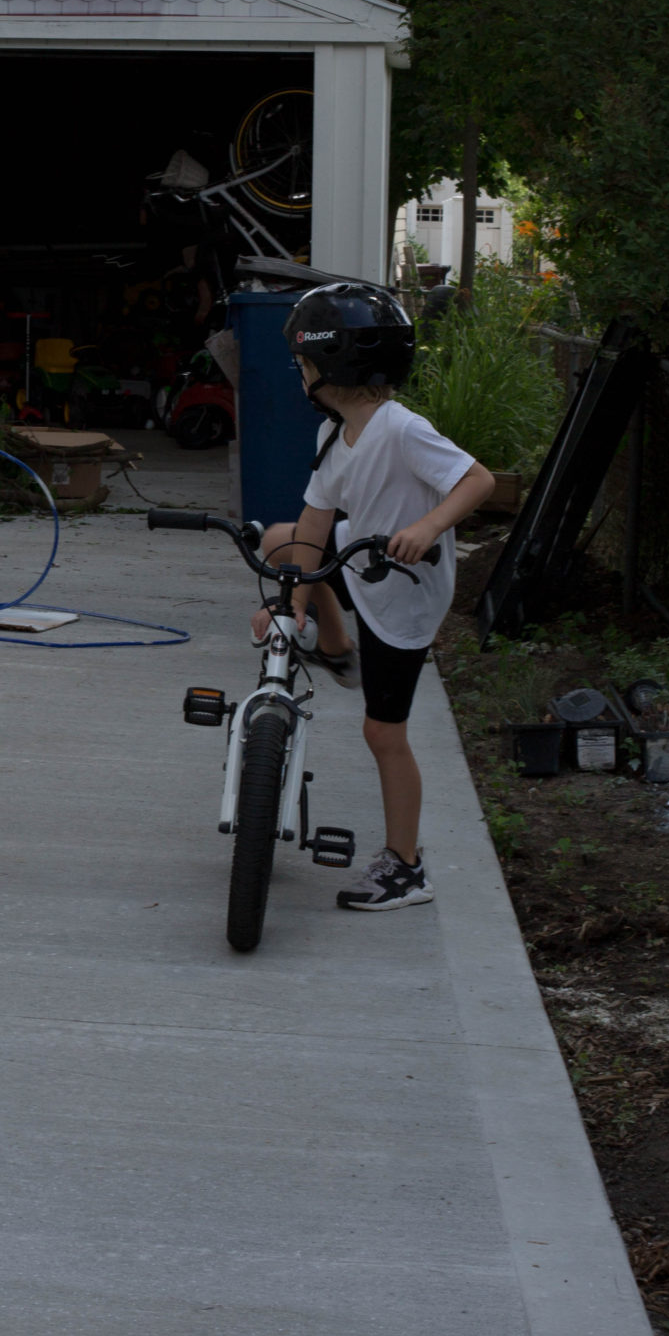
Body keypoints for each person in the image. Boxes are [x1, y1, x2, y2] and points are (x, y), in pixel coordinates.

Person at [253, 282, 494, 915]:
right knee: (282, 540)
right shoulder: (334, 437)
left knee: (383, 732)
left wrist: (428, 526)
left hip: (402, 590)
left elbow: (478, 480)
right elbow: (314, 518)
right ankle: (332, 643)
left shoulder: (400, 428)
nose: (299, 375)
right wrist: (294, 602)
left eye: (303, 363)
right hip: (363, 558)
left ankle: (407, 868)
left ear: (328, 366)